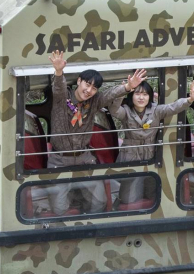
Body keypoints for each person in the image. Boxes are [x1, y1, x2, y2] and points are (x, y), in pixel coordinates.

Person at [47, 50, 140, 216]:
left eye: (94, 88)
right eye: (87, 84)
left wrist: (128, 87)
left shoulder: (94, 101)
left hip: (84, 158)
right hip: (59, 160)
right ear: (79, 81)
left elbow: (110, 94)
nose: (89, 90)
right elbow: (58, 87)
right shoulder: (63, 97)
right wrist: (59, 71)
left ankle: (88, 223)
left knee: (99, 201)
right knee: (59, 208)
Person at [99, 73, 194, 205]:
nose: (141, 97)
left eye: (145, 94)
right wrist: (124, 90)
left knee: (152, 192)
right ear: (131, 96)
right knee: (128, 198)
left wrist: (190, 99)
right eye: (137, 94)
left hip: (151, 155)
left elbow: (173, 107)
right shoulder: (126, 111)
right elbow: (114, 110)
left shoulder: (156, 110)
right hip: (131, 156)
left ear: (150, 97)